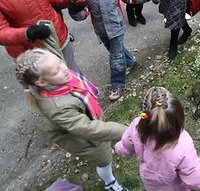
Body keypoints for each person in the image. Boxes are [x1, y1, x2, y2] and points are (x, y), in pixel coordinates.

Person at [15, 49, 129, 191]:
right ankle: (110, 182)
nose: (64, 68)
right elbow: (88, 128)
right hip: (83, 140)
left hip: (88, 125)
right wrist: (127, 130)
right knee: (104, 159)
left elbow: (53, 46)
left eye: (60, 62)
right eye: (56, 70)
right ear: (41, 82)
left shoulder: (58, 79)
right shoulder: (58, 108)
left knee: (104, 139)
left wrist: (48, 28)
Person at [69, 0, 147, 101]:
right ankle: (131, 61)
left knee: (116, 57)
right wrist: (74, 8)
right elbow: (82, 14)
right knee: (115, 50)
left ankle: (118, 84)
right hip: (101, 30)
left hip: (116, 28)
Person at [115, 86, 200, 190]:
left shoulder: (137, 125)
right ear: (178, 118)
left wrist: (119, 148)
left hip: (150, 183)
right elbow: (195, 180)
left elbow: (126, 145)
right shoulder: (183, 145)